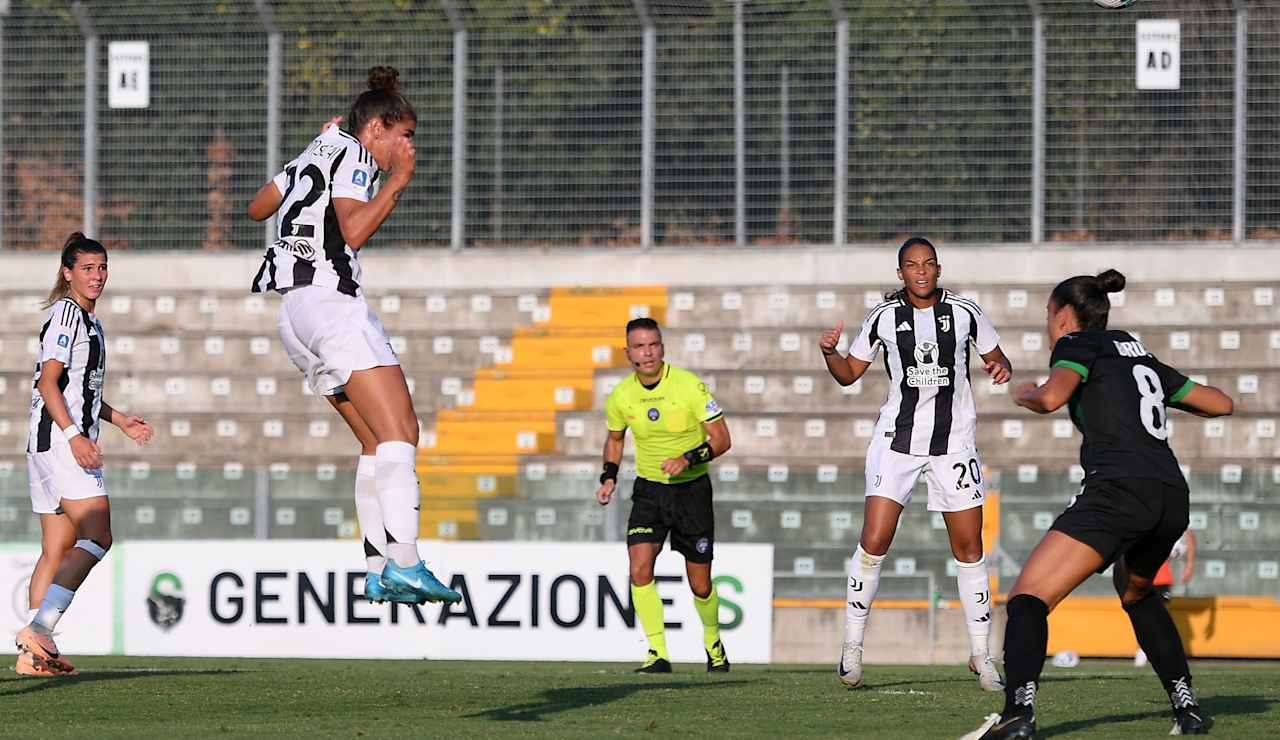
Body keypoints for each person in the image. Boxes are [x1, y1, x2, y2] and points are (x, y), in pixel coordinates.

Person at [962, 269, 1233, 739]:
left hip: (1118, 492)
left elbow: (1050, 397)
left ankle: (1017, 715)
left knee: (1027, 600)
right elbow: (1221, 404)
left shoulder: (1077, 345)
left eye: (1048, 316)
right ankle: (1186, 708)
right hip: (1170, 495)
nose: (1049, 327)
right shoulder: (1137, 354)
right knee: (1136, 591)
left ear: (1064, 316)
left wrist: (1023, 393)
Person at [246, 66, 459, 606]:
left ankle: (376, 567)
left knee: (372, 440)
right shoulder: (359, 157)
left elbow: (257, 208)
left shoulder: (321, 147)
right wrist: (398, 182)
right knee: (402, 432)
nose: (406, 147)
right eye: (404, 135)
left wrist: (312, 150)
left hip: (293, 314)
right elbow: (353, 230)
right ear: (377, 128)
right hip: (330, 305)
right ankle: (407, 563)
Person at [819, 236, 1012, 691]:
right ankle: (851, 649)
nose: (921, 272)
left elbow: (995, 356)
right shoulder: (884, 317)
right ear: (900, 272)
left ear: (938, 269)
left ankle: (982, 654)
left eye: (928, 264)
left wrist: (1000, 367)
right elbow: (849, 374)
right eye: (912, 265)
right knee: (874, 539)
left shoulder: (965, 312)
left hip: (954, 443)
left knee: (969, 548)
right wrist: (829, 352)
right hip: (896, 442)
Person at [15, 233, 154, 677]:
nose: (97, 276)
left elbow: (79, 389)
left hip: (45, 442)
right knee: (98, 535)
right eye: (88, 268)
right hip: (60, 443)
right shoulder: (68, 316)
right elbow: (47, 382)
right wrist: (75, 436)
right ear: (67, 272)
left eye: (102, 267)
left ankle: (34, 656)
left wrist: (118, 418)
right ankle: (40, 627)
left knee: (55, 549)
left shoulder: (88, 321)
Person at [594, 318, 733, 673]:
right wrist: (609, 477)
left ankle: (713, 643)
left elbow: (722, 439)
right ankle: (657, 652)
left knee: (700, 583)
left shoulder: (688, 386)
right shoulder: (621, 395)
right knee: (639, 569)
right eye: (640, 347)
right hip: (649, 492)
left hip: (692, 491)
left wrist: (688, 459)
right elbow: (614, 439)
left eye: (653, 344)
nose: (648, 352)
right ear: (628, 353)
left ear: (662, 347)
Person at [1133, 528, 1195, 668]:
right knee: (1143, 616)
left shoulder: (1169, 526)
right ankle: (1143, 651)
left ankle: (1162, 653)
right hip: (1142, 578)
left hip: (1161, 579)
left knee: (1159, 617)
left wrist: (1189, 565)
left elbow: (1189, 536)